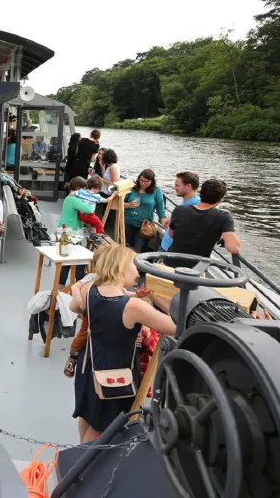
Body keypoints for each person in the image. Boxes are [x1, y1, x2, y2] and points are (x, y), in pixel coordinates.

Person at [70, 245, 176, 443]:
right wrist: (157, 296)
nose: (138, 272)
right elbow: (173, 327)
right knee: (103, 427)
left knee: (89, 414)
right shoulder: (133, 307)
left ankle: (78, 453)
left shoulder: (91, 288)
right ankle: (82, 468)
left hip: (89, 362)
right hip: (114, 373)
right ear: (122, 267)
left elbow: (76, 306)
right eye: (135, 266)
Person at [62, 245, 155, 377]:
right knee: (83, 335)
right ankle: (72, 357)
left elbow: (125, 293)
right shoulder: (92, 279)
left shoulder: (115, 284)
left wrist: (137, 295)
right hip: (93, 313)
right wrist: (82, 302)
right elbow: (75, 287)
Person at [166, 179, 240, 268]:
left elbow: (171, 234)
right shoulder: (223, 216)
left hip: (169, 265)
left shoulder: (179, 209)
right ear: (220, 199)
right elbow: (233, 248)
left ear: (201, 194)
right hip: (194, 271)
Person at [55, 177, 98, 286]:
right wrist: (93, 202)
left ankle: (61, 287)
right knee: (78, 262)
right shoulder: (74, 199)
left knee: (66, 262)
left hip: (67, 231)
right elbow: (88, 210)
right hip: (69, 233)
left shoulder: (69, 198)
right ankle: (79, 286)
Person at [124, 169, 167, 253]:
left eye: (146, 181)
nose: (143, 183)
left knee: (137, 250)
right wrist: (127, 205)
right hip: (128, 222)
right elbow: (119, 203)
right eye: (141, 180)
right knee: (126, 248)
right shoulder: (132, 188)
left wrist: (165, 225)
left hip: (143, 226)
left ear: (151, 181)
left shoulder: (156, 191)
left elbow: (160, 210)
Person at [159, 171, 200, 251]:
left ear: (188, 186)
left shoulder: (196, 206)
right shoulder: (187, 201)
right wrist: (172, 216)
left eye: (177, 185)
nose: (174, 188)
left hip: (172, 250)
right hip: (166, 245)